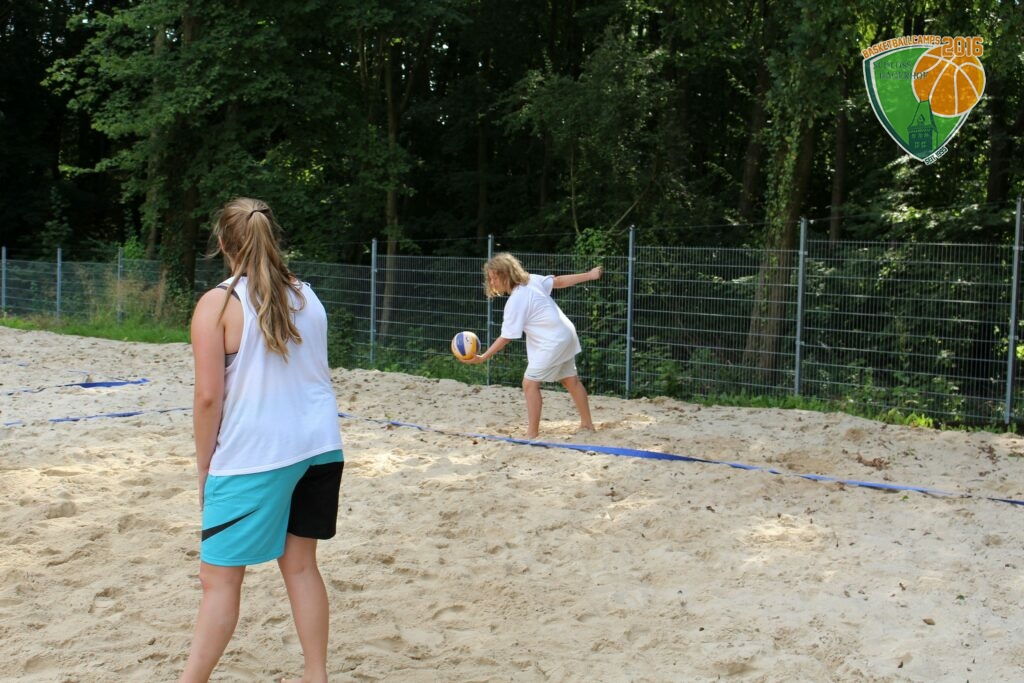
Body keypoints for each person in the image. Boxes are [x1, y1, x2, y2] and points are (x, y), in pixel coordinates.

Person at [180, 197, 343, 683]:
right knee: (301, 567)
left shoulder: (218, 303)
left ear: (223, 243)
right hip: (320, 447)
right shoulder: (308, 296)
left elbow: (208, 397)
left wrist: (204, 466)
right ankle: (316, 675)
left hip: (256, 455)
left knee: (218, 581)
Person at [462, 252, 602, 439]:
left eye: (495, 277)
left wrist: (483, 357)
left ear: (506, 274)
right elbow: (559, 281)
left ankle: (532, 434)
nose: (492, 282)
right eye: (490, 278)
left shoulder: (515, 301)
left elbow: (506, 337)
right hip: (566, 334)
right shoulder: (532, 280)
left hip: (553, 342)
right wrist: (589, 275)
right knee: (571, 381)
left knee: (529, 384)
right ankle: (587, 424)